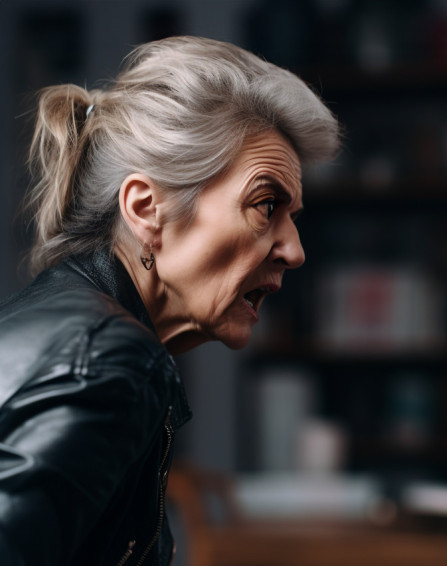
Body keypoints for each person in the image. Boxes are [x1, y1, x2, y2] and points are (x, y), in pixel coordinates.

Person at [0, 36, 339, 565]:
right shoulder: (111, 358)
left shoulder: (61, 319)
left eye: (292, 216)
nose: (294, 250)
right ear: (146, 208)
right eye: (265, 204)